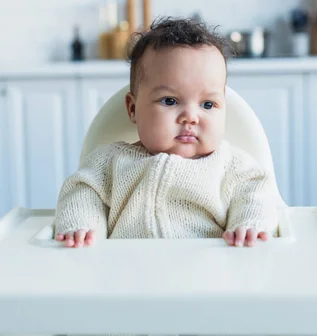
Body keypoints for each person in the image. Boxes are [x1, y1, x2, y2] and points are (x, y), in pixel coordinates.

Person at [54, 17, 283, 248]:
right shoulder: (109, 163)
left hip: (208, 275)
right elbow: (82, 194)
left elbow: (257, 197)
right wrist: (82, 227)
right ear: (133, 109)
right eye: (170, 101)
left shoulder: (232, 167)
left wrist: (249, 226)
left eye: (207, 105)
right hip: (125, 275)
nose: (190, 117)